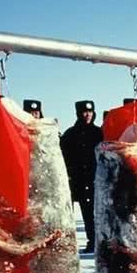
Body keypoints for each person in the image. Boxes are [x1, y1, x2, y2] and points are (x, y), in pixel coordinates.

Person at [60, 100, 103, 253]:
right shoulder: (70, 134)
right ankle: (72, 244)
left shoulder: (99, 133)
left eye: (90, 112)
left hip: (94, 180)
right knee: (74, 214)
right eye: (85, 112)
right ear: (78, 113)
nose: (88, 115)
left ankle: (95, 242)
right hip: (76, 181)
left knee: (94, 213)